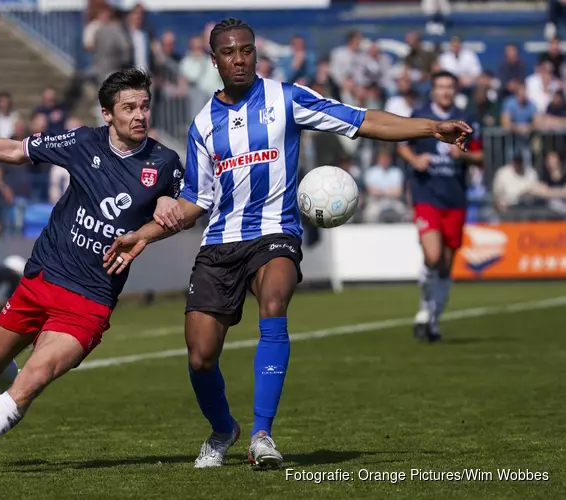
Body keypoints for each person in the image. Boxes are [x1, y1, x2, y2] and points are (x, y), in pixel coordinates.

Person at [103, 18, 473, 470]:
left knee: (275, 301)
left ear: (256, 53)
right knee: (201, 357)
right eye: (229, 52)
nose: (239, 59)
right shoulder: (203, 125)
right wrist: (143, 235)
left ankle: (262, 435)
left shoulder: (288, 98)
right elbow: (195, 201)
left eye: (246, 50)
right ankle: (224, 430)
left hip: (277, 232)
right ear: (213, 60)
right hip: (221, 242)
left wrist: (430, 128)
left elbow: (361, 121)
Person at [0, 68, 185, 477]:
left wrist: (164, 206)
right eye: (128, 108)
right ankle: (5, 393)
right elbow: (17, 150)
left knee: (34, 377)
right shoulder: (82, 141)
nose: (139, 115)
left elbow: (184, 211)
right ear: (107, 114)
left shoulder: (164, 162)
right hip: (43, 278)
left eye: (144, 106)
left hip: (90, 300)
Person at [397, 71, 483, 343]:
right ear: (433, 90)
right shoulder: (421, 115)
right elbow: (401, 144)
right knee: (432, 255)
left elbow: (481, 157)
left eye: (449, 86)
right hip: (426, 193)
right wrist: (414, 159)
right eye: (440, 87)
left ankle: (433, 320)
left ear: (455, 90)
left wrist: (465, 155)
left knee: (445, 265)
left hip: (455, 197)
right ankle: (424, 311)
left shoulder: (466, 119)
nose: (445, 91)